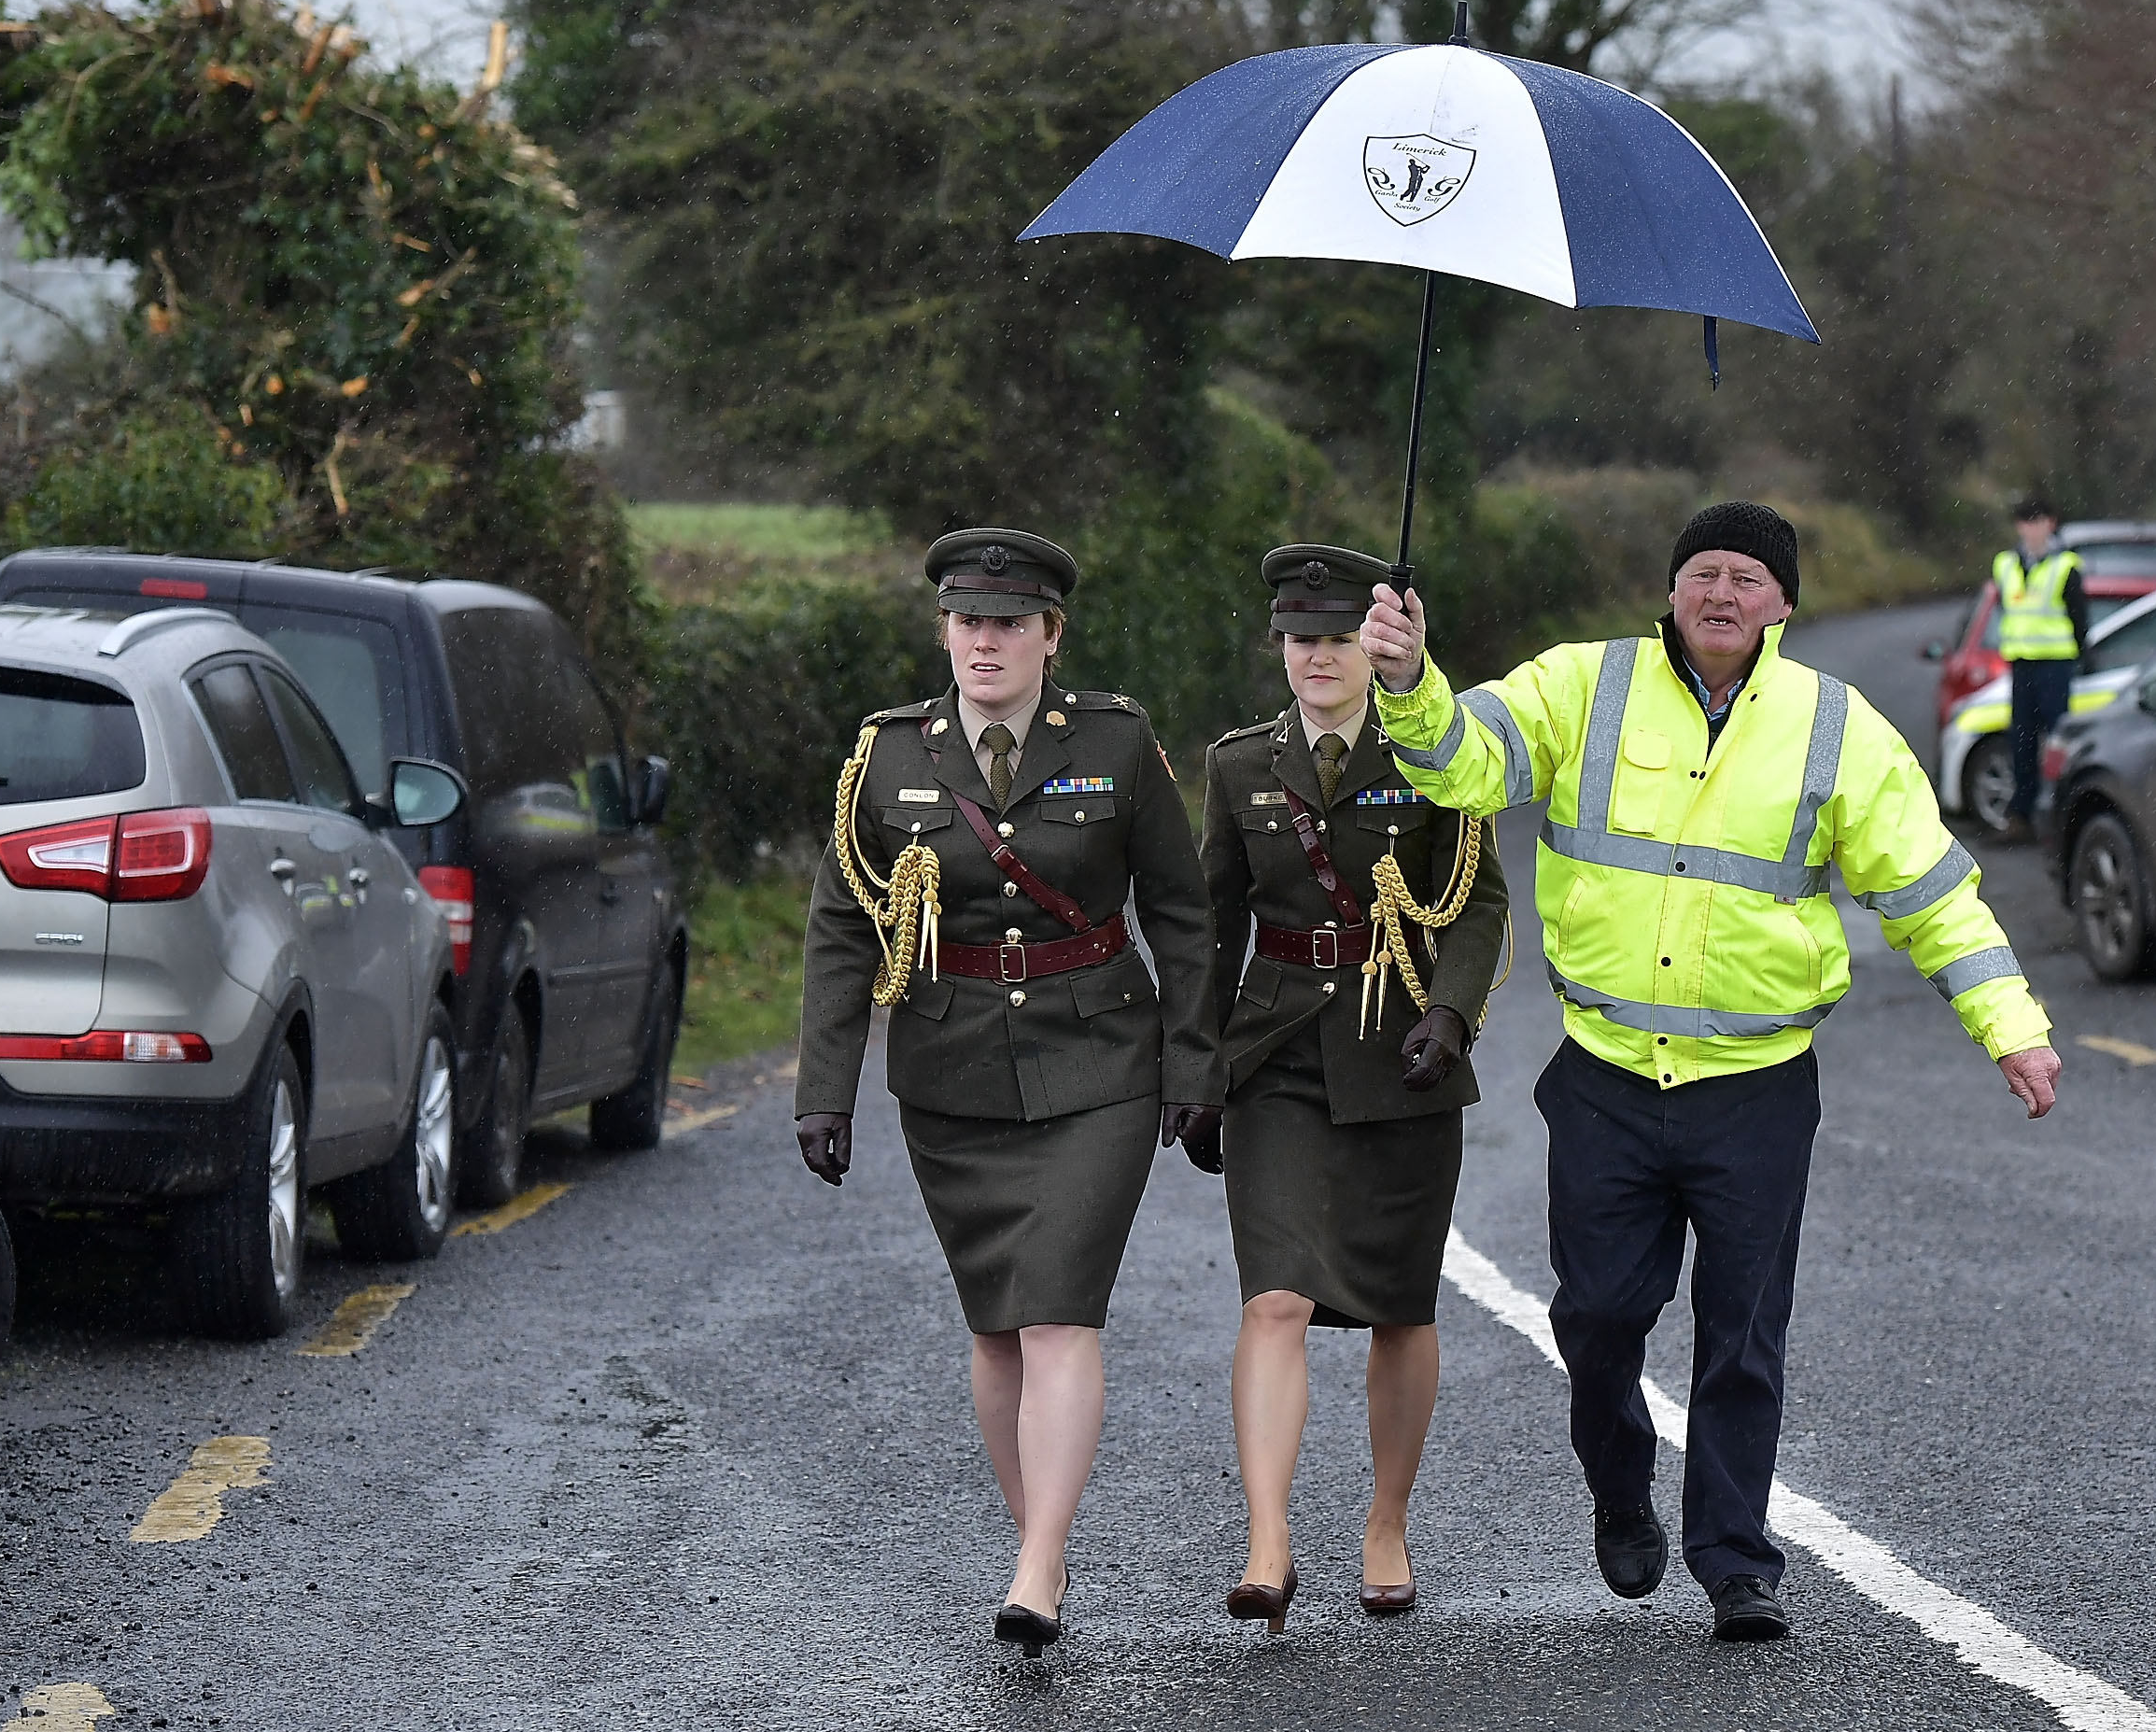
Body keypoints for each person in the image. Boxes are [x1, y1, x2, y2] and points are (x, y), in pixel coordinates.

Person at [1360, 500, 2063, 1643]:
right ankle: (1621, 1484)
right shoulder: (1584, 684)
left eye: (1747, 576)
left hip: (1756, 1085)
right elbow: (1462, 765)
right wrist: (1407, 680)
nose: (1722, 592)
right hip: (1607, 1077)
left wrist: (2011, 1026)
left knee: (1743, 1332)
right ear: (1673, 587)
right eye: (1703, 572)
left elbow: (1934, 895)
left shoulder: (1835, 726)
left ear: (1784, 603)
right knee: (1595, 1318)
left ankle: (1738, 1563)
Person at [793, 528, 1225, 1660]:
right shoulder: (885, 757)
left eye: (1011, 622)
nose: (987, 641)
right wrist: (823, 1088)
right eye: (968, 620)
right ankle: (1041, 1535)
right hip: (952, 1073)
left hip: (1101, 1062)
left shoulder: (1119, 745)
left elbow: (1180, 911)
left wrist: (1195, 1061)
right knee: (995, 1327)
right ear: (944, 628)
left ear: (1049, 634)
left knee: (1056, 1310)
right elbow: (844, 927)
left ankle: (1036, 1564)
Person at [1200, 543, 1512, 1633]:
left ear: (1374, 647)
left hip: (1402, 1044)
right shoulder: (1240, 763)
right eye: (1302, 640)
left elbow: (1477, 902)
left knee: (1399, 1302)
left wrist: (1453, 1011)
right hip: (1277, 1052)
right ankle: (1268, 1540)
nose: (1318, 658)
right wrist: (1195, 1063)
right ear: (1280, 646)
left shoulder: (1435, 750)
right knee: (1274, 1296)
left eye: (1338, 640)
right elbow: (1212, 923)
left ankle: (1387, 1520)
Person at [1992, 495, 2091, 843]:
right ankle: (2022, 816)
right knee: (2021, 742)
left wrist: (2081, 657)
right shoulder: (2005, 564)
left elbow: (2080, 621)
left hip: (2055, 666)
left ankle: (2065, 816)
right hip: (2021, 666)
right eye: (2025, 522)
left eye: (2038, 521)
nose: (2031, 529)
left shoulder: (2066, 566)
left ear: (2051, 523)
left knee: (2059, 743)